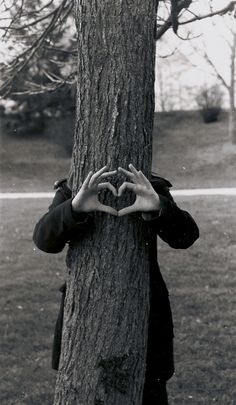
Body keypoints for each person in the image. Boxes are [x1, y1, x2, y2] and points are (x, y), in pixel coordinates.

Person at [33, 163, 199, 404]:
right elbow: (44, 240)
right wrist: (74, 208)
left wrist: (159, 207)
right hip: (84, 319)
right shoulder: (73, 188)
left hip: (146, 317)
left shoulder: (149, 185)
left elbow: (186, 236)